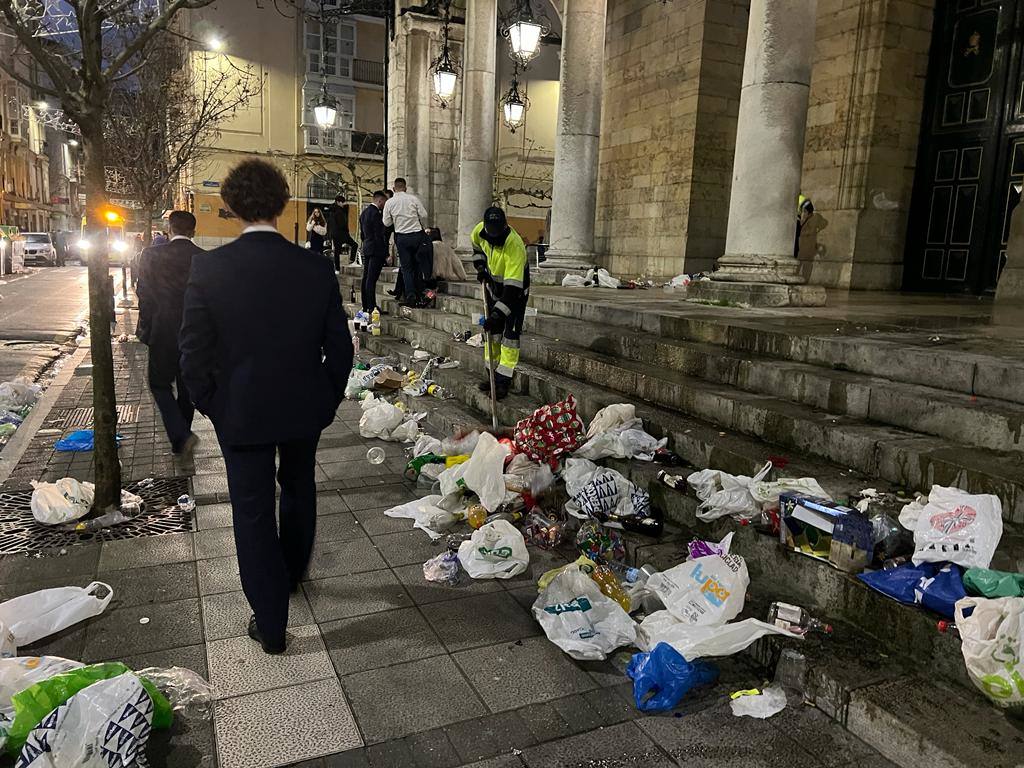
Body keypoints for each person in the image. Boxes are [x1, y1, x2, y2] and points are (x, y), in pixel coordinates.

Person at [179, 159, 353, 654]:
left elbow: (192, 350)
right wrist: (325, 399)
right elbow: (339, 348)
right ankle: (293, 573)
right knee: (298, 488)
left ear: (231, 207)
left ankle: (271, 620)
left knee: (251, 511)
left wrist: (212, 403)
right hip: (302, 407)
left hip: (240, 410)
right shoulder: (314, 267)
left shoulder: (210, 268)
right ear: (282, 204)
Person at [137, 211, 202, 457]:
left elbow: (144, 294)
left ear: (169, 228)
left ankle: (181, 435)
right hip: (194, 333)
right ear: (193, 231)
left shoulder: (151, 255)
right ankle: (181, 437)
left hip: (162, 330)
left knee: (159, 384)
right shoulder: (202, 258)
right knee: (187, 389)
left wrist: (146, 328)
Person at [472, 207, 529, 400]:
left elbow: (512, 291)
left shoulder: (515, 245)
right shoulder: (480, 230)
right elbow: (476, 247)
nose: (494, 239)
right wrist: (480, 266)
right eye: (491, 233)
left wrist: (498, 315)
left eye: (497, 234)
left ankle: (503, 382)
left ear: (505, 227)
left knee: (509, 337)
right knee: (492, 335)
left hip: (515, 292)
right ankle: (492, 377)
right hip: (493, 287)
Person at [382, 177, 428, 307]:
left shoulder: (390, 202)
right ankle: (420, 292)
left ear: (394, 189)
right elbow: (424, 215)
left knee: (406, 268)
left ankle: (410, 295)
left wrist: (396, 219)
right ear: (406, 188)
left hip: (402, 236)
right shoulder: (413, 199)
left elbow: (386, 222)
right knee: (417, 265)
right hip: (417, 235)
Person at [358, 190, 389, 322]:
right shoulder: (376, 214)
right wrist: (386, 253)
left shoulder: (364, 213)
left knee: (366, 278)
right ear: (380, 200)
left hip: (367, 247)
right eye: (384, 202)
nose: (384, 205)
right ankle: (371, 306)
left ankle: (366, 305)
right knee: (372, 279)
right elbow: (379, 234)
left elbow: (362, 234)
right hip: (376, 249)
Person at [326, 194, 359, 270]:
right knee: (354, 245)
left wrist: (329, 235)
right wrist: (346, 231)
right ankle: (351, 260)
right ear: (338, 202)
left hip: (335, 234)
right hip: (342, 233)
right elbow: (342, 224)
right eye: (342, 202)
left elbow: (329, 224)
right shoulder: (339, 211)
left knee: (337, 252)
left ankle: (337, 269)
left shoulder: (332, 211)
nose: (344, 204)